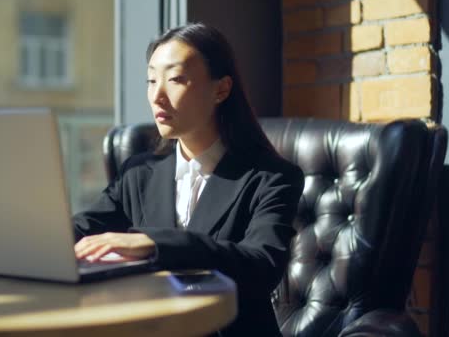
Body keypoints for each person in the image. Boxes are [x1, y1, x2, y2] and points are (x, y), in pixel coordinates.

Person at [72, 23, 304, 336]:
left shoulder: (273, 178)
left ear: (221, 89)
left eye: (176, 79)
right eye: (151, 80)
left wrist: (155, 244)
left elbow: (261, 265)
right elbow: (79, 231)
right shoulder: (138, 173)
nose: (157, 96)